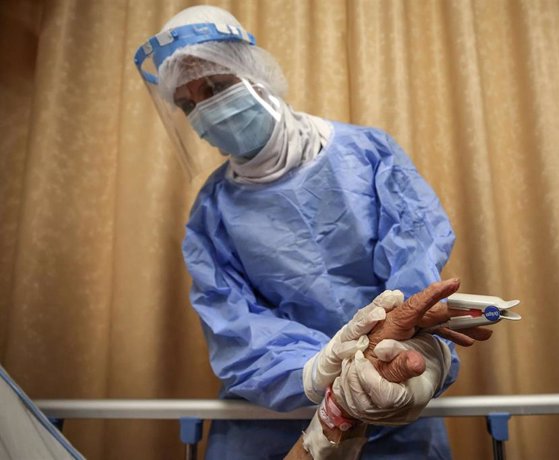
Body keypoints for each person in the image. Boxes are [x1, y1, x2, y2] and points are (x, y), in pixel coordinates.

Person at [133, 5, 491, 459]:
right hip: (271, 419)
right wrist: (317, 370)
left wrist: (390, 353)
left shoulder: (368, 155)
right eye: (188, 104)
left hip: (391, 388)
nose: (205, 111)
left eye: (216, 87)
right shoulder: (212, 213)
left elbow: (414, 264)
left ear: (256, 74)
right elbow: (236, 327)